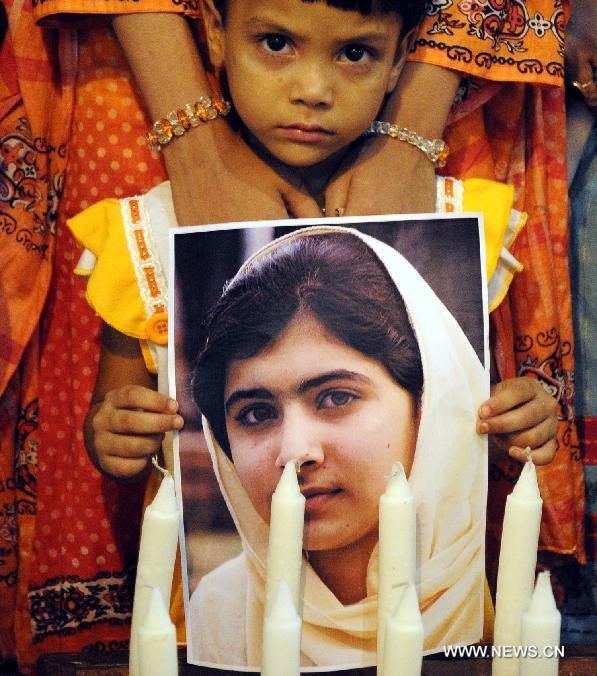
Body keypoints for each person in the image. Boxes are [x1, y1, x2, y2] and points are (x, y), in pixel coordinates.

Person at [1, 0, 593, 670]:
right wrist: (115, 433)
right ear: (215, 30)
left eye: (353, 56)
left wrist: (528, 416)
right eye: (275, 44)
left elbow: (488, 397)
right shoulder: (149, 234)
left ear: (400, 61)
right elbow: (124, 417)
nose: (313, 90)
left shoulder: (455, 223)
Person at [186, 225, 487, 666]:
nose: (294, 451)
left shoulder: (504, 581)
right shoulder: (218, 614)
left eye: (336, 397)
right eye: (256, 413)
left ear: (426, 403)